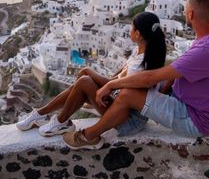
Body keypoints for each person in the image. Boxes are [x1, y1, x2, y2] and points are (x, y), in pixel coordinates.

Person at [63, 0, 209, 150]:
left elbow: (149, 78)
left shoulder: (205, 50)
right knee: (143, 84)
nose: (183, 13)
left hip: (193, 119)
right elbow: (175, 75)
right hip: (198, 110)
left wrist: (110, 85)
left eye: (185, 10)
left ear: (190, 14)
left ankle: (88, 136)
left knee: (128, 94)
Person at [16, 12, 166, 144]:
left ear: (138, 34)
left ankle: (59, 121)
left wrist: (92, 74)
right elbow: (118, 76)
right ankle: (43, 114)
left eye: (132, 27)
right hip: (120, 104)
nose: (129, 30)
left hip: (127, 119)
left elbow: (117, 86)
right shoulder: (140, 52)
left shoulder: (140, 64)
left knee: (84, 80)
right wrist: (100, 81)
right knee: (83, 80)